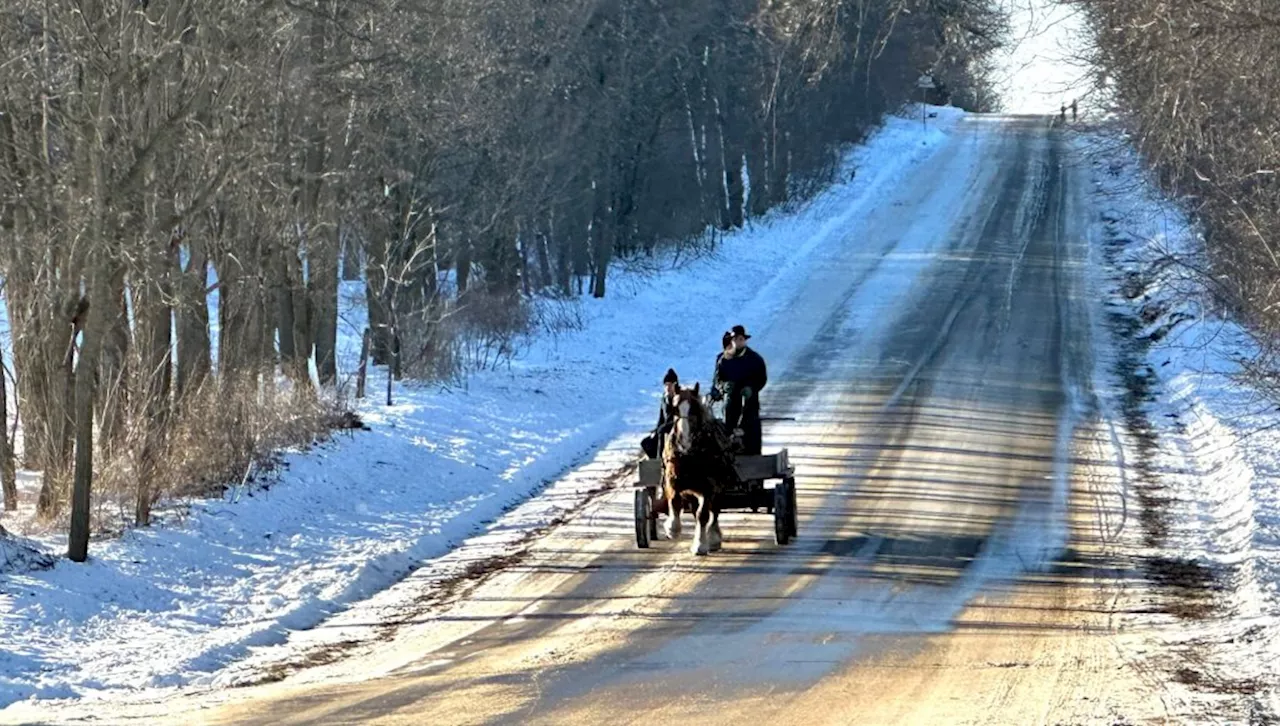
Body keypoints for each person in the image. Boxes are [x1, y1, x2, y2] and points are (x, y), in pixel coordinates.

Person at [712, 325, 767, 455]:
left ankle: (752, 455)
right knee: (726, 429)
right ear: (731, 341)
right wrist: (723, 386)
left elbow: (762, 378)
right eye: (735, 339)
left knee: (750, 428)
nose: (738, 341)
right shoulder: (723, 359)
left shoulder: (755, 359)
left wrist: (752, 388)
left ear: (744, 340)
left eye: (741, 339)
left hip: (749, 403)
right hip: (730, 404)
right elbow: (717, 379)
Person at [641, 368, 681, 459]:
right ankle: (656, 461)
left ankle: (661, 459)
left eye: (670, 385)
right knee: (646, 442)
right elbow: (661, 417)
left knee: (662, 434)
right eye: (666, 385)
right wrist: (656, 429)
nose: (667, 387)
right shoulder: (664, 398)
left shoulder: (679, 398)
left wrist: (665, 427)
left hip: (676, 426)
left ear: (675, 385)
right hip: (665, 425)